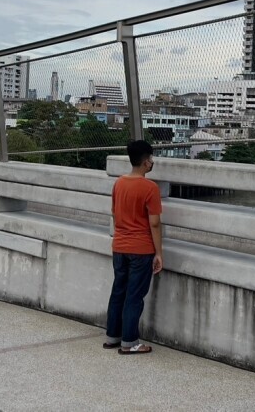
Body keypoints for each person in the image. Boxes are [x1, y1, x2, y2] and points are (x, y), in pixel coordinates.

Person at [104, 139, 164, 355]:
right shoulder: (150, 188)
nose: (152, 162)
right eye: (151, 159)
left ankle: (113, 336)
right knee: (134, 296)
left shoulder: (119, 183)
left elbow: (114, 212)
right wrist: (158, 253)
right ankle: (130, 342)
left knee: (118, 291)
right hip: (141, 249)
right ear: (146, 162)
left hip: (119, 245)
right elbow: (154, 222)